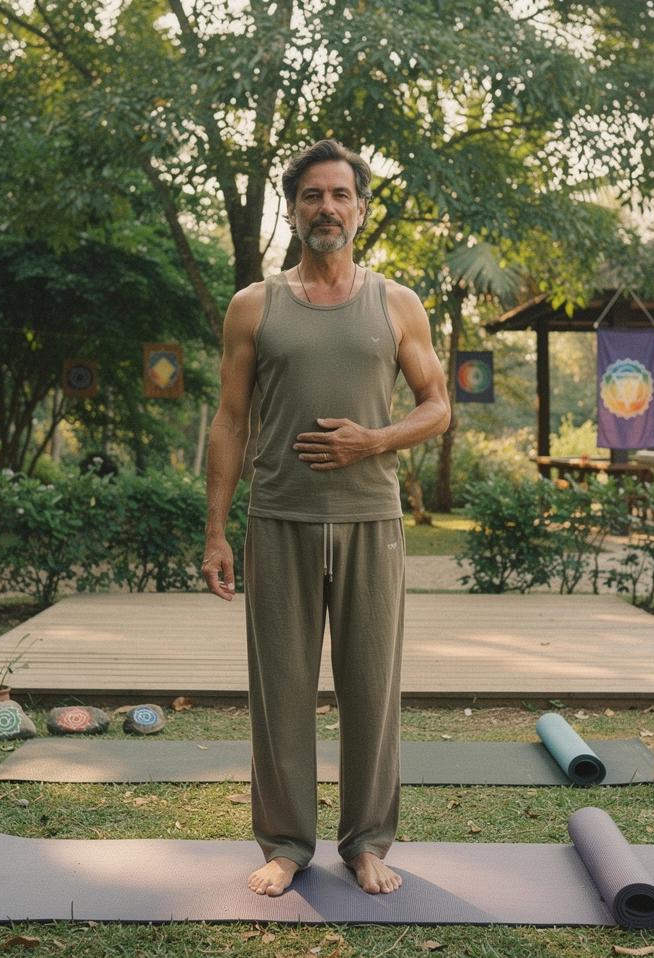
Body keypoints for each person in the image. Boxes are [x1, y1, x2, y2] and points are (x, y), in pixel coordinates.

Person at [202, 138, 450, 897]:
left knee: (372, 689)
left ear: (361, 210)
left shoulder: (396, 303)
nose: (327, 208)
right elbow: (230, 421)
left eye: (341, 195)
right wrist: (215, 530)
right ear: (292, 208)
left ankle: (367, 842)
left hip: (372, 521)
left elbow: (437, 406)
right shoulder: (255, 305)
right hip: (279, 518)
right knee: (280, 690)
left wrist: (374, 441)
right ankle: (285, 844)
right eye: (312, 195)